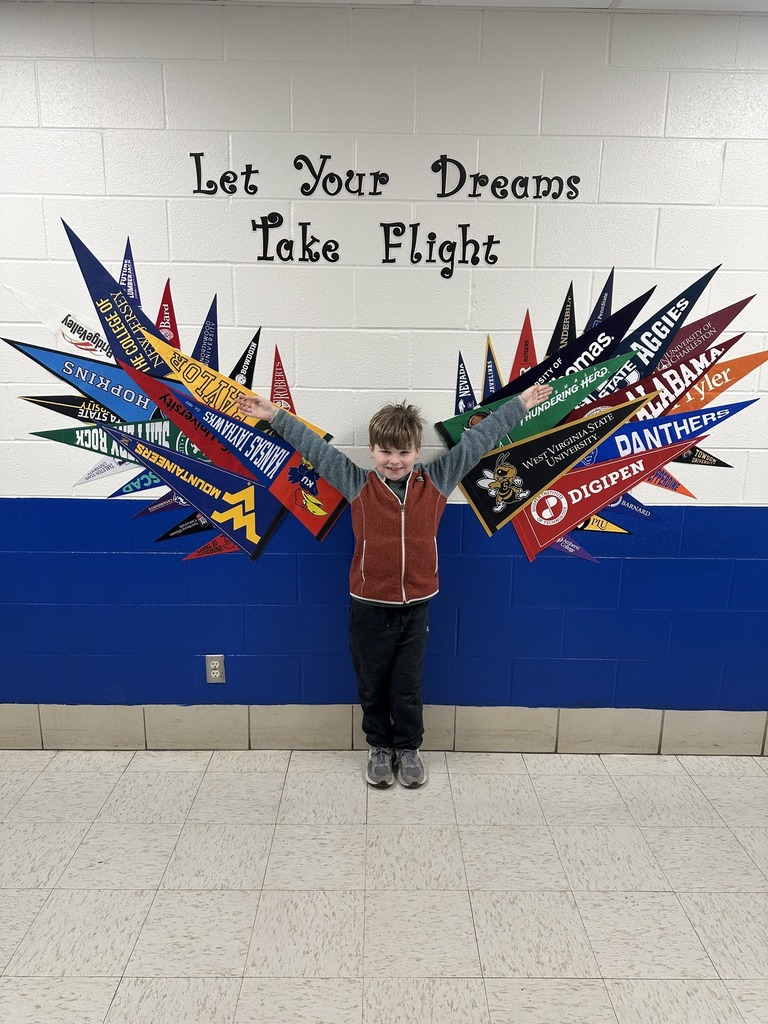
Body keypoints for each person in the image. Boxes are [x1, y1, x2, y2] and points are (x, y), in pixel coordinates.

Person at [237, 380, 552, 788]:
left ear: (417, 452)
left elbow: (478, 441)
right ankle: (378, 749)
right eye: (385, 452)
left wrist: (521, 403)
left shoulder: (436, 481)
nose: (394, 460)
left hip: (417, 604)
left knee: (407, 685)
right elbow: (316, 450)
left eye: (403, 452)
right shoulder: (358, 485)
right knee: (372, 683)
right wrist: (275, 415)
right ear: (372, 451)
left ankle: (409, 748)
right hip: (368, 605)